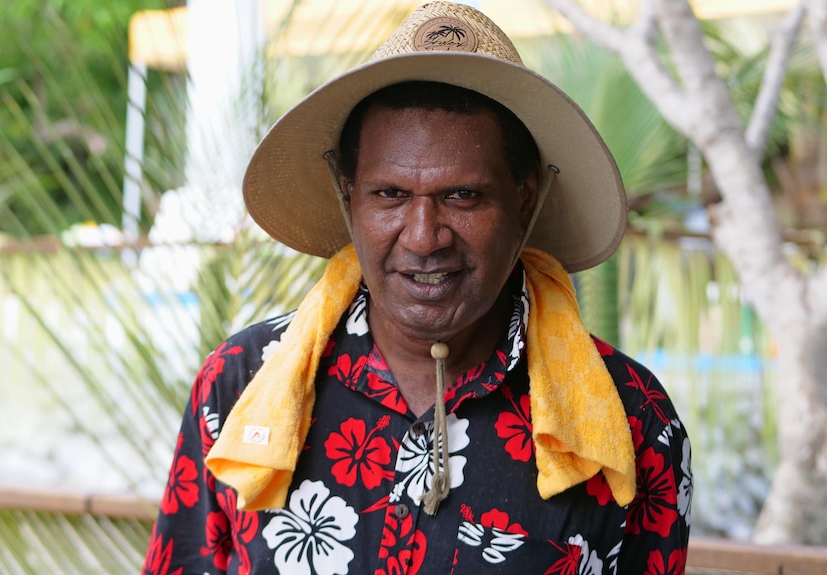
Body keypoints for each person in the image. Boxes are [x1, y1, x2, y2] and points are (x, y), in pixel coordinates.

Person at [142, 2, 691, 574]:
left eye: (463, 196)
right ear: (348, 195)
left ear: (524, 199)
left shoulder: (631, 420)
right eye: (390, 195)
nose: (424, 237)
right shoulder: (241, 384)